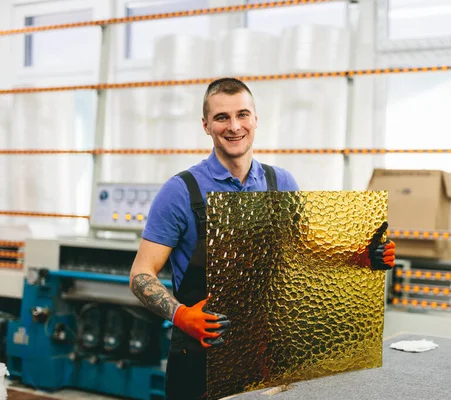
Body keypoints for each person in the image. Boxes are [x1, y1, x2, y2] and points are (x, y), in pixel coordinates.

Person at [129, 77, 396, 400]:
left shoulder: (280, 182)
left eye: (242, 114)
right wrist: (181, 315)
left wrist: (361, 257)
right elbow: (141, 274)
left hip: (266, 355)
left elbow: (306, 251)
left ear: (256, 119)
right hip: (200, 356)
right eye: (222, 117)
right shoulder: (181, 191)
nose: (234, 126)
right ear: (206, 125)